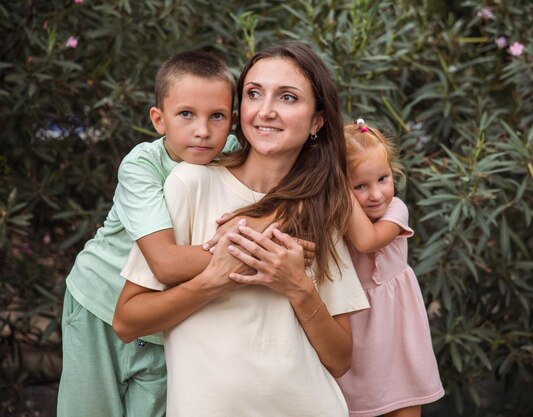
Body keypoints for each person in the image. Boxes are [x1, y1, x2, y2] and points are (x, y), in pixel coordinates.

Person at [112, 41, 370, 417]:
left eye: (287, 97)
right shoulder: (191, 183)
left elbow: (340, 360)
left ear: (317, 121)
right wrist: (214, 279)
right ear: (240, 110)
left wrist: (297, 286)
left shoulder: (320, 208)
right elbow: (126, 321)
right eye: (254, 94)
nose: (266, 111)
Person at [57, 50, 238, 417]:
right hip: (100, 306)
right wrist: (248, 255)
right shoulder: (142, 165)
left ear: (233, 121)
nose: (202, 130)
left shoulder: (234, 154)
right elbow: (166, 264)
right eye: (186, 114)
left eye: (216, 116)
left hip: (166, 319)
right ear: (159, 119)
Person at [336, 119, 444, 417]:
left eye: (383, 178)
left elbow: (367, 241)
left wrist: (339, 186)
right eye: (359, 186)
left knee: (404, 403)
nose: (375, 194)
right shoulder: (336, 218)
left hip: (396, 330)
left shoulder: (396, 209)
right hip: (356, 331)